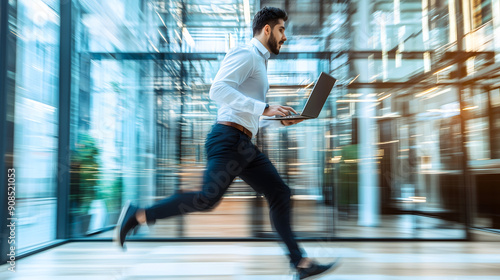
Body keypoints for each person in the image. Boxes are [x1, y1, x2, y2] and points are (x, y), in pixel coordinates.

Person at [115, 6, 338, 279]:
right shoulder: (246, 54)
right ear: (266, 29)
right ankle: (138, 215)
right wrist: (265, 108)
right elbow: (217, 90)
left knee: (279, 193)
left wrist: (279, 120)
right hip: (228, 140)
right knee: (206, 199)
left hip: (243, 143)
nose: (285, 37)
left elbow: (246, 114)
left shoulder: (260, 63)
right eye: (281, 30)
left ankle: (300, 264)